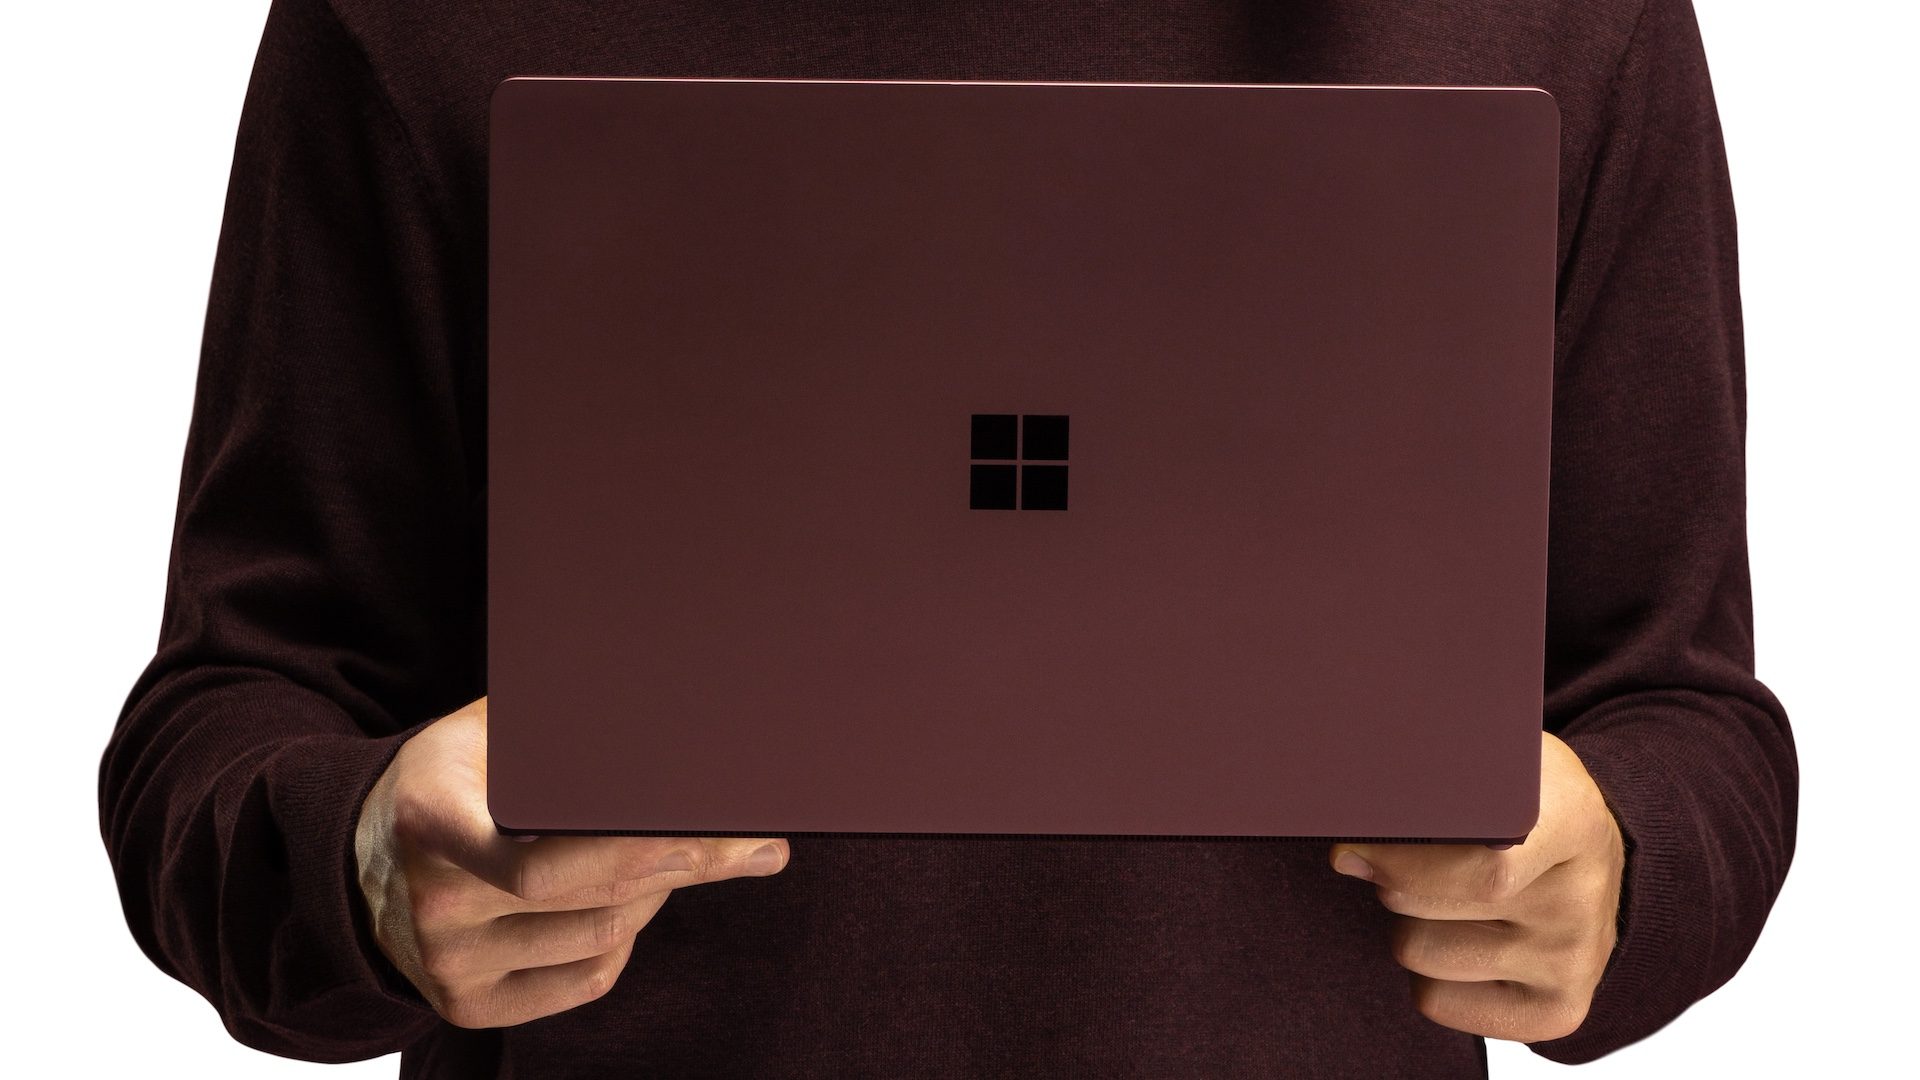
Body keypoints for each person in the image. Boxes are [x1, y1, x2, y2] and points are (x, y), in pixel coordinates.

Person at [98, 1, 1798, 1076]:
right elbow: (223, 718)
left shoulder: (1561, 19)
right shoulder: (413, 19)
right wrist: (363, 865)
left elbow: (1686, 716)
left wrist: (1620, 868)